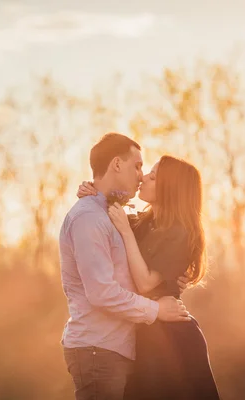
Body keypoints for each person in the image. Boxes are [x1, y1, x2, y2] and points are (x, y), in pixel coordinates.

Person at [59, 133, 192, 400]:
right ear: (117, 164)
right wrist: (156, 310)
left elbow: (147, 258)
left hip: (114, 348)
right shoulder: (89, 218)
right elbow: (101, 293)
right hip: (98, 349)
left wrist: (170, 278)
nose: (141, 175)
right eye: (138, 166)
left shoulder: (111, 214)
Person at [77, 154, 220, 400]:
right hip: (145, 331)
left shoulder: (180, 233)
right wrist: (91, 194)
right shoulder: (143, 222)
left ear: (169, 189)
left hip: (172, 339)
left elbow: (144, 283)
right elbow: (106, 227)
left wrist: (125, 230)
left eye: (153, 177)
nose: (143, 178)